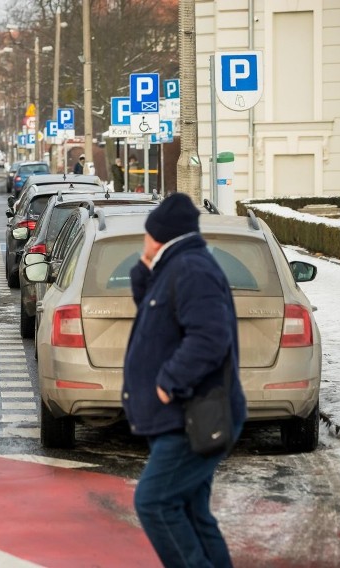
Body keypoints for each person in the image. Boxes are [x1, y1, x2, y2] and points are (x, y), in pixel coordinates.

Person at [123, 192, 247, 567]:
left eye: (146, 234)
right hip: (181, 414)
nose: (143, 241)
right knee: (193, 512)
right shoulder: (177, 267)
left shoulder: (192, 268)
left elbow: (210, 337)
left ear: (160, 234)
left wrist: (168, 382)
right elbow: (157, 313)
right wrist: (144, 271)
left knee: (154, 501)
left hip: (191, 414)